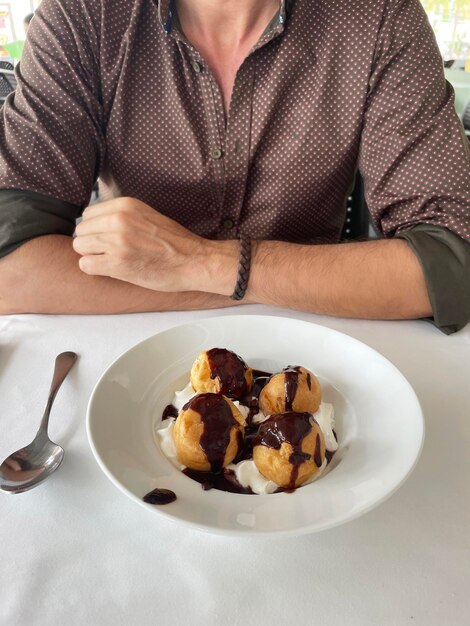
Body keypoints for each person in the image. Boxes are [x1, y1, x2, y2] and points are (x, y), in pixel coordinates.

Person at [0, 0, 469, 332]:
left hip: (315, 348)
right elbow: (12, 270)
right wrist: (262, 281)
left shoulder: (382, 17)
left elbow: (450, 266)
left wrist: (202, 264)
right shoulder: (82, 16)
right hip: (124, 348)